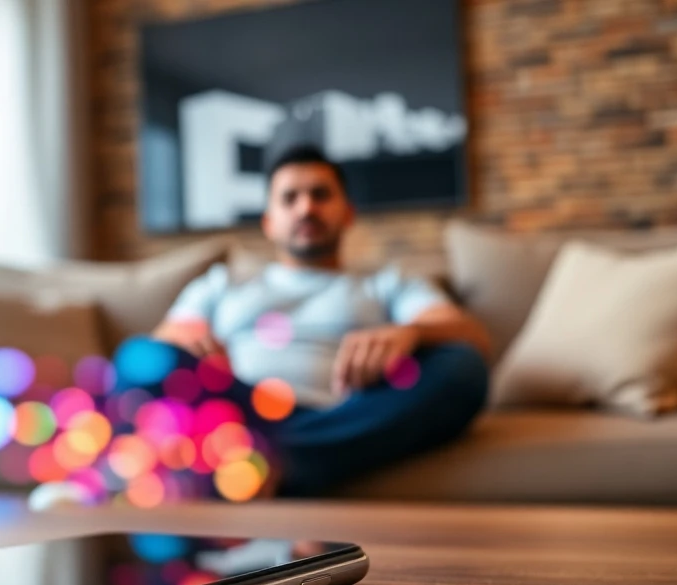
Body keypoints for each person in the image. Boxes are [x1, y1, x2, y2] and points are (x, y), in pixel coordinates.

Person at [109, 144, 492, 499]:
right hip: (238, 411)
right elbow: (158, 346)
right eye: (289, 198)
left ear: (348, 212)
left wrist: (411, 333)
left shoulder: (387, 281)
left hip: (346, 413)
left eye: (321, 195)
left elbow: (472, 337)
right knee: (137, 355)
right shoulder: (223, 283)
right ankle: (288, 463)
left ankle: (273, 464)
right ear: (269, 221)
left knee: (463, 366)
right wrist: (185, 344)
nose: (306, 208)